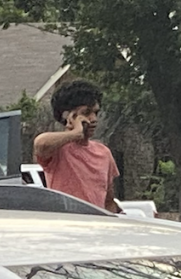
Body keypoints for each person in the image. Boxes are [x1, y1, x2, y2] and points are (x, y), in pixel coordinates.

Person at [33, 79, 120, 212]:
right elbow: (40, 143)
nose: (94, 119)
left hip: (95, 223)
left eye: (96, 113)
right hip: (68, 223)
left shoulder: (104, 153)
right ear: (67, 116)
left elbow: (108, 202)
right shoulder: (58, 150)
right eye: (86, 113)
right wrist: (75, 133)